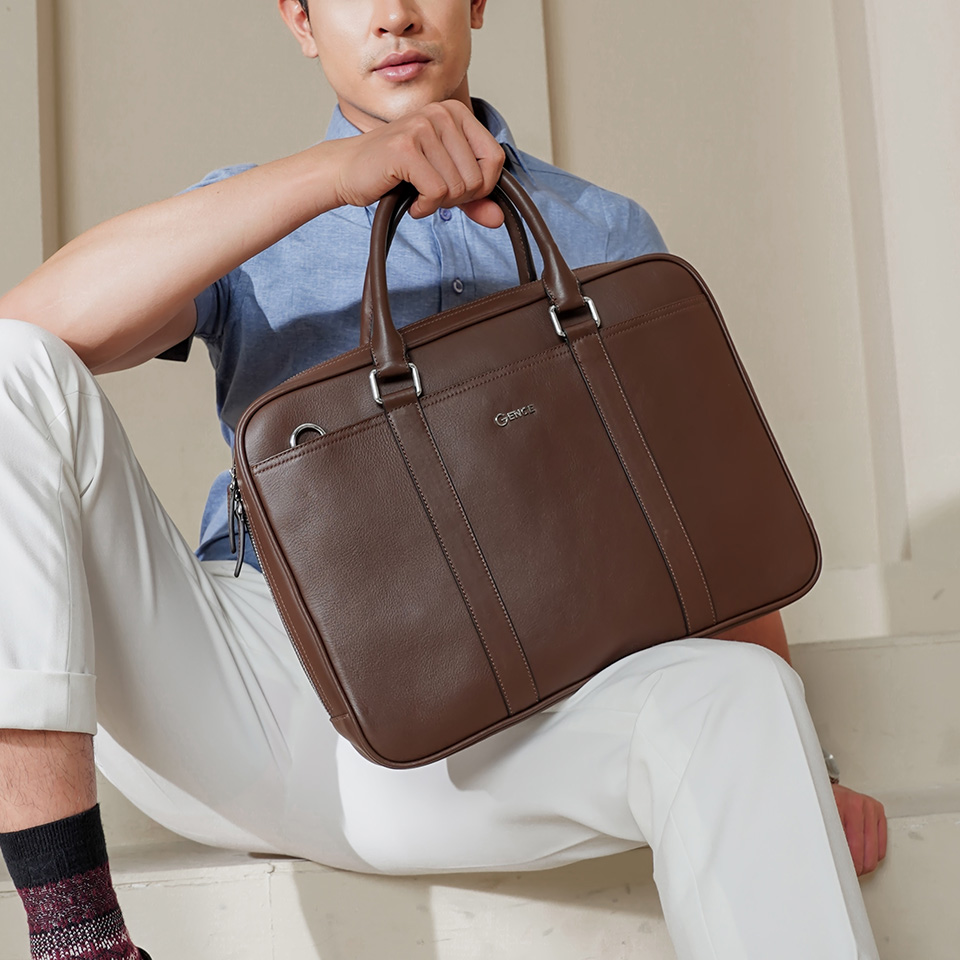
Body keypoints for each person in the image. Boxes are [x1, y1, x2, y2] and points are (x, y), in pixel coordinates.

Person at [0, 1, 887, 958]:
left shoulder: (603, 230)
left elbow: (694, 500)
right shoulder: (251, 215)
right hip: (252, 694)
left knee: (741, 692)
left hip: (504, 726)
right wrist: (335, 177)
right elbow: (33, 326)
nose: (394, 16)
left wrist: (803, 763)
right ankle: (78, 938)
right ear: (300, 20)